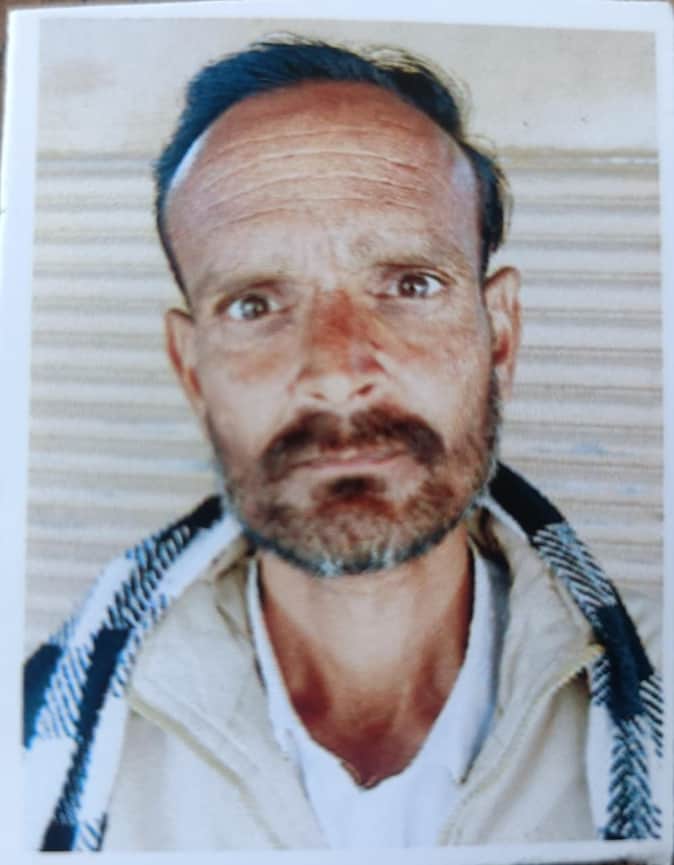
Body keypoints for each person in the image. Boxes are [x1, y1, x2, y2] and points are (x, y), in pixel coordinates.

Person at [23, 38, 663, 852]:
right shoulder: (31, 730)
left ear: (500, 336)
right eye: (255, 304)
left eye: (410, 284)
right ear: (192, 369)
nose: (335, 372)